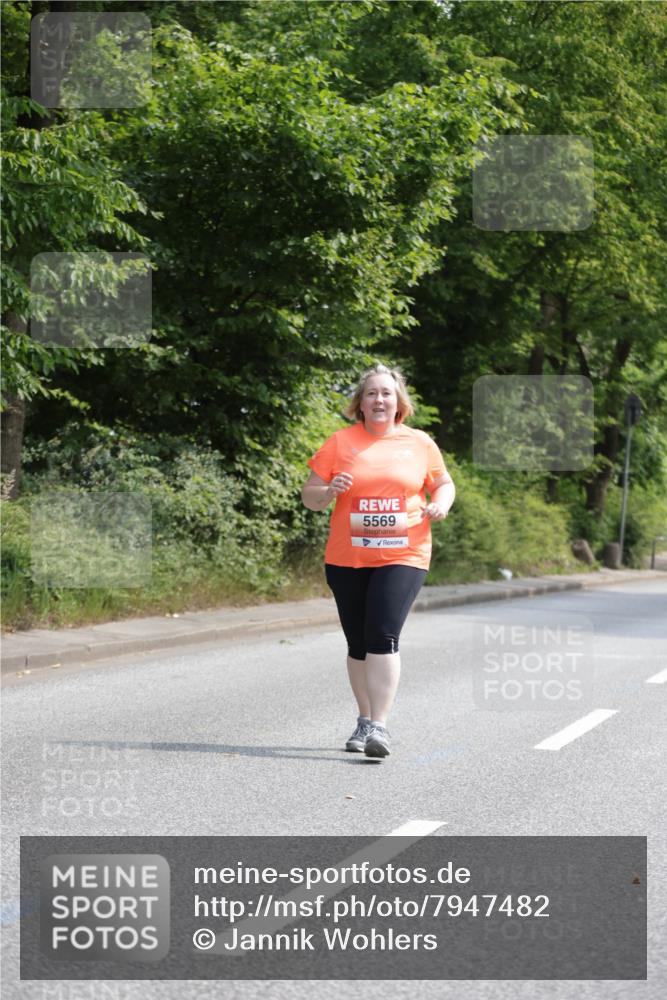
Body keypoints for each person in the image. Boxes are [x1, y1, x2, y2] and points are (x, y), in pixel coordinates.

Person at [301, 363, 455, 760]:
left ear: (398, 401)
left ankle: (380, 727)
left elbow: (443, 483)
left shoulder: (419, 443)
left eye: (386, 393)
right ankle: (364, 718)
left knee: (383, 635)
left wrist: (439, 504)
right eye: (372, 393)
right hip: (347, 556)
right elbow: (310, 496)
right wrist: (329, 489)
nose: (379, 399)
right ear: (361, 403)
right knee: (357, 643)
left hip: (404, 553)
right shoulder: (339, 442)